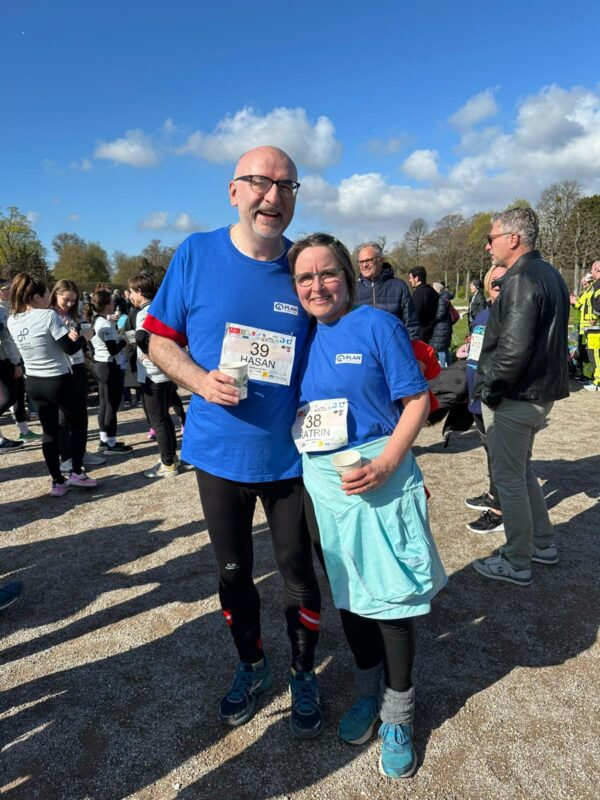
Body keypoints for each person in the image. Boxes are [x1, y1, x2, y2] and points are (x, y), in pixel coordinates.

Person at [144, 146, 322, 738]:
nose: (274, 196)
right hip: (218, 453)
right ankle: (252, 663)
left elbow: (342, 350)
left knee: (298, 573)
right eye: (261, 183)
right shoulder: (195, 253)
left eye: (287, 186)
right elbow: (158, 341)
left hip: (290, 456)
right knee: (232, 572)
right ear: (233, 190)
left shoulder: (305, 268)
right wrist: (199, 380)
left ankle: (303, 671)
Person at [288, 233, 446, 778]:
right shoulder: (299, 337)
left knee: (393, 597)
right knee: (351, 592)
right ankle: (366, 691)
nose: (317, 285)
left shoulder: (377, 325)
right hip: (323, 484)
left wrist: (386, 465)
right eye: (305, 277)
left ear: (349, 278)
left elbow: (417, 399)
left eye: (327, 273)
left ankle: (399, 714)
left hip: (379, 474)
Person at [473, 207, 570, 586]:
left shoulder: (521, 278)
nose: (488, 247)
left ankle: (516, 560)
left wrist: (489, 391)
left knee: (509, 478)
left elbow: (512, 350)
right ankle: (542, 544)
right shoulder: (549, 273)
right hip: (537, 394)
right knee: (523, 471)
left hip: (516, 395)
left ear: (513, 239)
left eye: (492, 238)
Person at [7, 273, 97, 496]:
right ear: (37, 296)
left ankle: (57, 481)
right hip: (57, 379)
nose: (49, 297)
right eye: (47, 293)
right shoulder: (47, 315)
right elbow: (69, 348)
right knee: (78, 423)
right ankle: (77, 472)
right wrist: (85, 336)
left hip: (34, 382)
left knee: (49, 432)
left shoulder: (13, 319)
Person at [464, 265, 507, 533]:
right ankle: (493, 496)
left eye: (503, 281)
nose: (498, 285)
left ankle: (499, 511)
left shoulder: (509, 316)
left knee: (501, 457)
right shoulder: (485, 313)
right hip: (476, 396)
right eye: (494, 280)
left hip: (493, 398)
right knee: (489, 452)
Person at [49, 279, 105, 471]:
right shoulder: (50, 315)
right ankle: (66, 457)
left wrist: (83, 332)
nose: (70, 303)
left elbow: (82, 334)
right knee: (64, 416)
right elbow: (64, 346)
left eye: (74, 300)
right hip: (64, 368)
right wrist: (81, 338)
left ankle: (80, 452)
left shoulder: (74, 313)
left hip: (79, 365)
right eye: (67, 300)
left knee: (81, 413)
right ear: (56, 294)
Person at [128, 273, 180, 478]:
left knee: (157, 419)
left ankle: (167, 463)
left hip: (153, 374)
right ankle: (171, 458)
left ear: (139, 292)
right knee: (165, 418)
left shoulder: (144, 313)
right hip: (166, 373)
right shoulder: (160, 307)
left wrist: (151, 354)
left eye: (131, 292)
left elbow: (141, 335)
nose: (130, 296)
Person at [85, 289, 132, 455]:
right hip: (108, 366)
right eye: (112, 302)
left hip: (100, 364)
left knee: (104, 404)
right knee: (111, 405)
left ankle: (104, 440)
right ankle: (111, 443)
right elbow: (113, 350)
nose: (114, 304)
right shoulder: (104, 324)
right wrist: (124, 342)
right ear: (106, 305)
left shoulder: (98, 319)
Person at [0, 277, 42, 447]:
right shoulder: (1, 311)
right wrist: (16, 362)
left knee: (18, 395)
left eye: (9, 288)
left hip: (15, 356)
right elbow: (6, 340)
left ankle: (24, 431)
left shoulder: (11, 308)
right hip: (6, 359)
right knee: (9, 398)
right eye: (4, 288)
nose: (8, 291)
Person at [355, 243, 419, 339]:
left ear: (381, 260)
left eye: (369, 260)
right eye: (361, 262)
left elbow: (411, 324)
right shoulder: (353, 290)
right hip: (363, 350)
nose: (364, 265)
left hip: (394, 348)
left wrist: (410, 347)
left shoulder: (399, 286)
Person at [581, 260, 600, 392]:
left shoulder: (598, 286)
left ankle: (598, 382)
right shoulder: (595, 285)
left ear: (597, 269)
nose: (591, 272)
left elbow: (598, 303)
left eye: (592, 269)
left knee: (595, 354)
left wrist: (594, 316)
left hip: (596, 327)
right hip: (593, 327)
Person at [408, 267, 439, 343]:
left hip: (422, 333)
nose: (409, 280)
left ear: (417, 278)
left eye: (411, 278)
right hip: (432, 331)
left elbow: (415, 314)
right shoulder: (431, 291)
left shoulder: (419, 293)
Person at [430, 282, 453, 367]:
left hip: (441, 327)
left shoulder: (441, 299)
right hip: (445, 326)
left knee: (440, 350)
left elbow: (440, 314)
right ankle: (450, 366)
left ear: (437, 289)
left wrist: (431, 319)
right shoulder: (445, 297)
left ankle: (443, 369)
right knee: (445, 348)